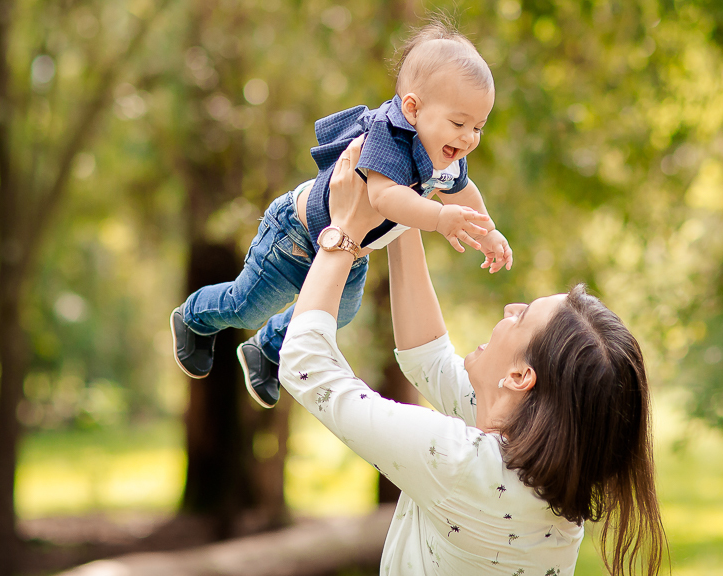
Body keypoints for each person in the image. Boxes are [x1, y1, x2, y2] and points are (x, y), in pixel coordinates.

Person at [280, 135, 667, 575]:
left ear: (521, 377)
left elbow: (305, 365)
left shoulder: (459, 463)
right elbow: (427, 360)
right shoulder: (546, 482)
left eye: (521, 318)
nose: (508, 310)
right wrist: (401, 209)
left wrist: (346, 231)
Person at [171, 19, 514, 408]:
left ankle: (266, 350)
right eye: (458, 123)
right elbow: (385, 197)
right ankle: (194, 316)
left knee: (338, 315)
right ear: (413, 109)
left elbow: (463, 191)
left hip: (350, 250)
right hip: (295, 238)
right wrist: (437, 218)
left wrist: (489, 233)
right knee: (247, 306)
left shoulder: (448, 153)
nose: (468, 137)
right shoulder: (389, 138)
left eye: (478, 127)